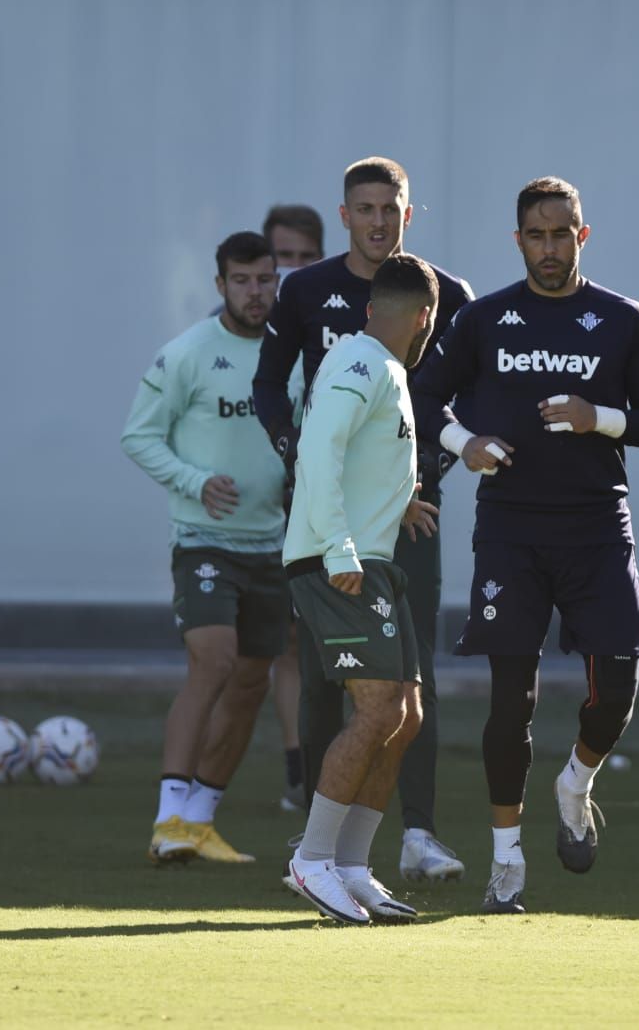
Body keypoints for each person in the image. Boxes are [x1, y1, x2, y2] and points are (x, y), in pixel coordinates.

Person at [413, 176, 639, 914]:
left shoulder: (623, 319)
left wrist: (600, 416)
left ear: (583, 236)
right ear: (519, 238)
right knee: (511, 701)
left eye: (563, 233)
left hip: (597, 524)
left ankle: (576, 782)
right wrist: (464, 443)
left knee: (616, 689)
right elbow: (422, 394)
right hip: (512, 528)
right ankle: (506, 863)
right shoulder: (486, 318)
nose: (551, 247)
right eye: (538, 233)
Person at [251, 159, 474, 883]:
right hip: (331, 517)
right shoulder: (310, 291)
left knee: (412, 683)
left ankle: (417, 834)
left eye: (392, 208)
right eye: (366, 208)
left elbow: (447, 403)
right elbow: (272, 389)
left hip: (405, 517)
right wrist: (299, 461)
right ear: (344, 214)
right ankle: (319, 847)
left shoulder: (443, 295)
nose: (380, 220)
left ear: (412, 213)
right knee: (326, 676)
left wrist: (417, 481)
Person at [281, 255, 443, 924]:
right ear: (425, 317)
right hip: (337, 560)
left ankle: (351, 866)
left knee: (405, 715)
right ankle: (311, 858)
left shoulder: (384, 366)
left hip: (372, 558)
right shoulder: (361, 360)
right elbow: (318, 447)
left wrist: (394, 501)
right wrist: (340, 544)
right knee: (377, 711)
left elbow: (360, 456)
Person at [122, 231, 289, 865]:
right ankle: (167, 818)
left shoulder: (293, 357)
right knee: (213, 662)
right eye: (242, 281)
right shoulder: (187, 353)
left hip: (271, 543)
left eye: (266, 280)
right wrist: (194, 482)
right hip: (203, 541)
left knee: (251, 683)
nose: (256, 292)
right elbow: (138, 437)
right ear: (220, 285)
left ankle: (199, 822)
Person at [260, 202, 325, 812]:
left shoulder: (334, 323)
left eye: (308, 257)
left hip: (322, 503)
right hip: (256, 510)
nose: (293, 269)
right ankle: (296, 769)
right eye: (284, 256)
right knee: (277, 646)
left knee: (323, 641)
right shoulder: (229, 329)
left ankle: (327, 767)